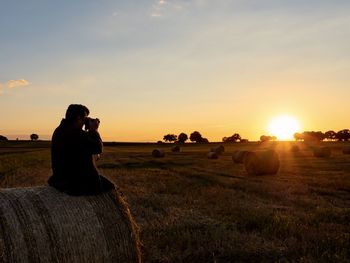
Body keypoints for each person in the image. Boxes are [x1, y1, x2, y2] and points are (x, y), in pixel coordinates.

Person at [48, 104, 114, 195]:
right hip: (76, 182)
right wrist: (94, 130)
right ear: (79, 118)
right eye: (85, 119)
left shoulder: (60, 130)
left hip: (60, 179)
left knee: (108, 185)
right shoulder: (75, 133)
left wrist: (88, 131)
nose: (85, 122)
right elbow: (98, 148)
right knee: (110, 188)